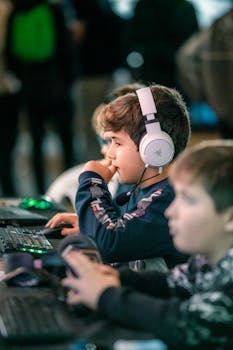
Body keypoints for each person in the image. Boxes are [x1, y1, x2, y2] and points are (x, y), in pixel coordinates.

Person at [61, 139, 233, 350]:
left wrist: (106, 295)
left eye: (188, 200)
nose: (171, 211)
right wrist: (113, 278)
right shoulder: (212, 261)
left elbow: (187, 325)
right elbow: (173, 283)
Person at [46, 84, 191, 271]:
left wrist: (92, 180)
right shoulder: (142, 190)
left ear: (154, 148)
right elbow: (116, 228)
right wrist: (89, 225)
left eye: (117, 142)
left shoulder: (168, 201)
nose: (110, 154)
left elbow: (109, 242)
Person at [5, 0, 75, 194]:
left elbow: (11, 53)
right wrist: (69, 81)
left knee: (36, 141)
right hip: (57, 84)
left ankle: (40, 192)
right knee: (65, 139)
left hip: (29, 86)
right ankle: (71, 190)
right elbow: (66, 49)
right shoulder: (54, 10)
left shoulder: (17, 12)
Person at [45, 83, 145, 211]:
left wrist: (94, 187)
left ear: (147, 144)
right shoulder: (68, 182)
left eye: (115, 141)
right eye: (102, 141)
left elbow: (109, 230)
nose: (105, 151)